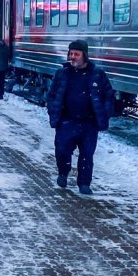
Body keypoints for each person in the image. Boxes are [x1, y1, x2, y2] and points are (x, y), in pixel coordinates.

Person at [47, 40, 114, 195]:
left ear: (85, 55)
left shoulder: (97, 74)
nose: (73, 57)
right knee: (62, 150)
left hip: (88, 123)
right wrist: (53, 111)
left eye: (76, 54)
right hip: (67, 121)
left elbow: (108, 96)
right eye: (71, 53)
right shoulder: (62, 73)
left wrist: (104, 114)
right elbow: (51, 95)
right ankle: (63, 173)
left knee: (87, 155)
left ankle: (84, 183)